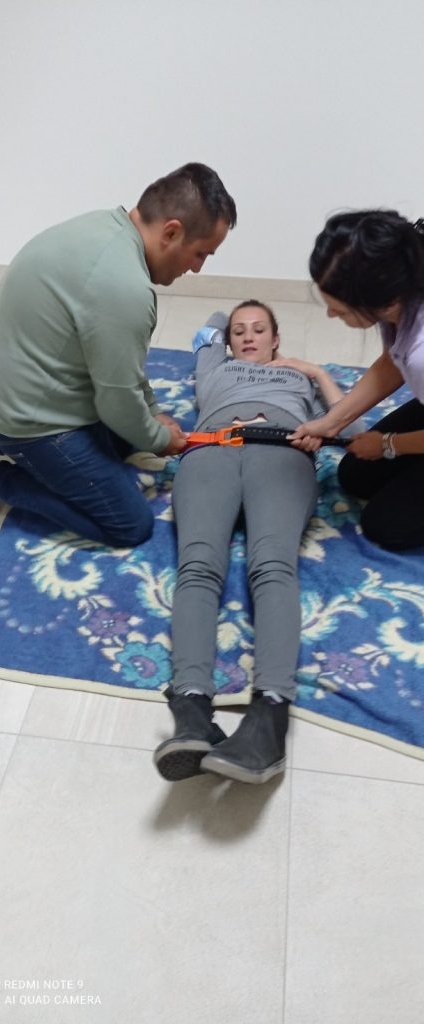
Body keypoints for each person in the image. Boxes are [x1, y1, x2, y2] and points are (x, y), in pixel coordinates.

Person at [0, 163, 236, 547]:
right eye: (200, 254)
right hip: (28, 422)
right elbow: (117, 400)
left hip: (14, 394)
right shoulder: (125, 287)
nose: (198, 268)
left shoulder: (104, 228)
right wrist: (157, 436)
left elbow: (122, 366)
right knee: (129, 524)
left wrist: (151, 414)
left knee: (127, 439)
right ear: (171, 232)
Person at [154, 300, 362, 784]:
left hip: (281, 455)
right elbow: (206, 330)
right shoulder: (215, 365)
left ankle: (268, 719)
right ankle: (191, 712)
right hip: (211, 452)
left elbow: (354, 431)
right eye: (239, 331)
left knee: (271, 566)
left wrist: (315, 372)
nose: (248, 337)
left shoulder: (301, 379)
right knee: (197, 568)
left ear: (276, 338)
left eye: (260, 329)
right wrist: (227, 321)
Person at [289, 209, 424, 551]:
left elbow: (410, 360)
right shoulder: (402, 298)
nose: (330, 314)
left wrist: (389, 444)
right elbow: (392, 363)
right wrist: (331, 422)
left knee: (386, 526)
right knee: (355, 474)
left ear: (384, 301)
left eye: (340, 310)